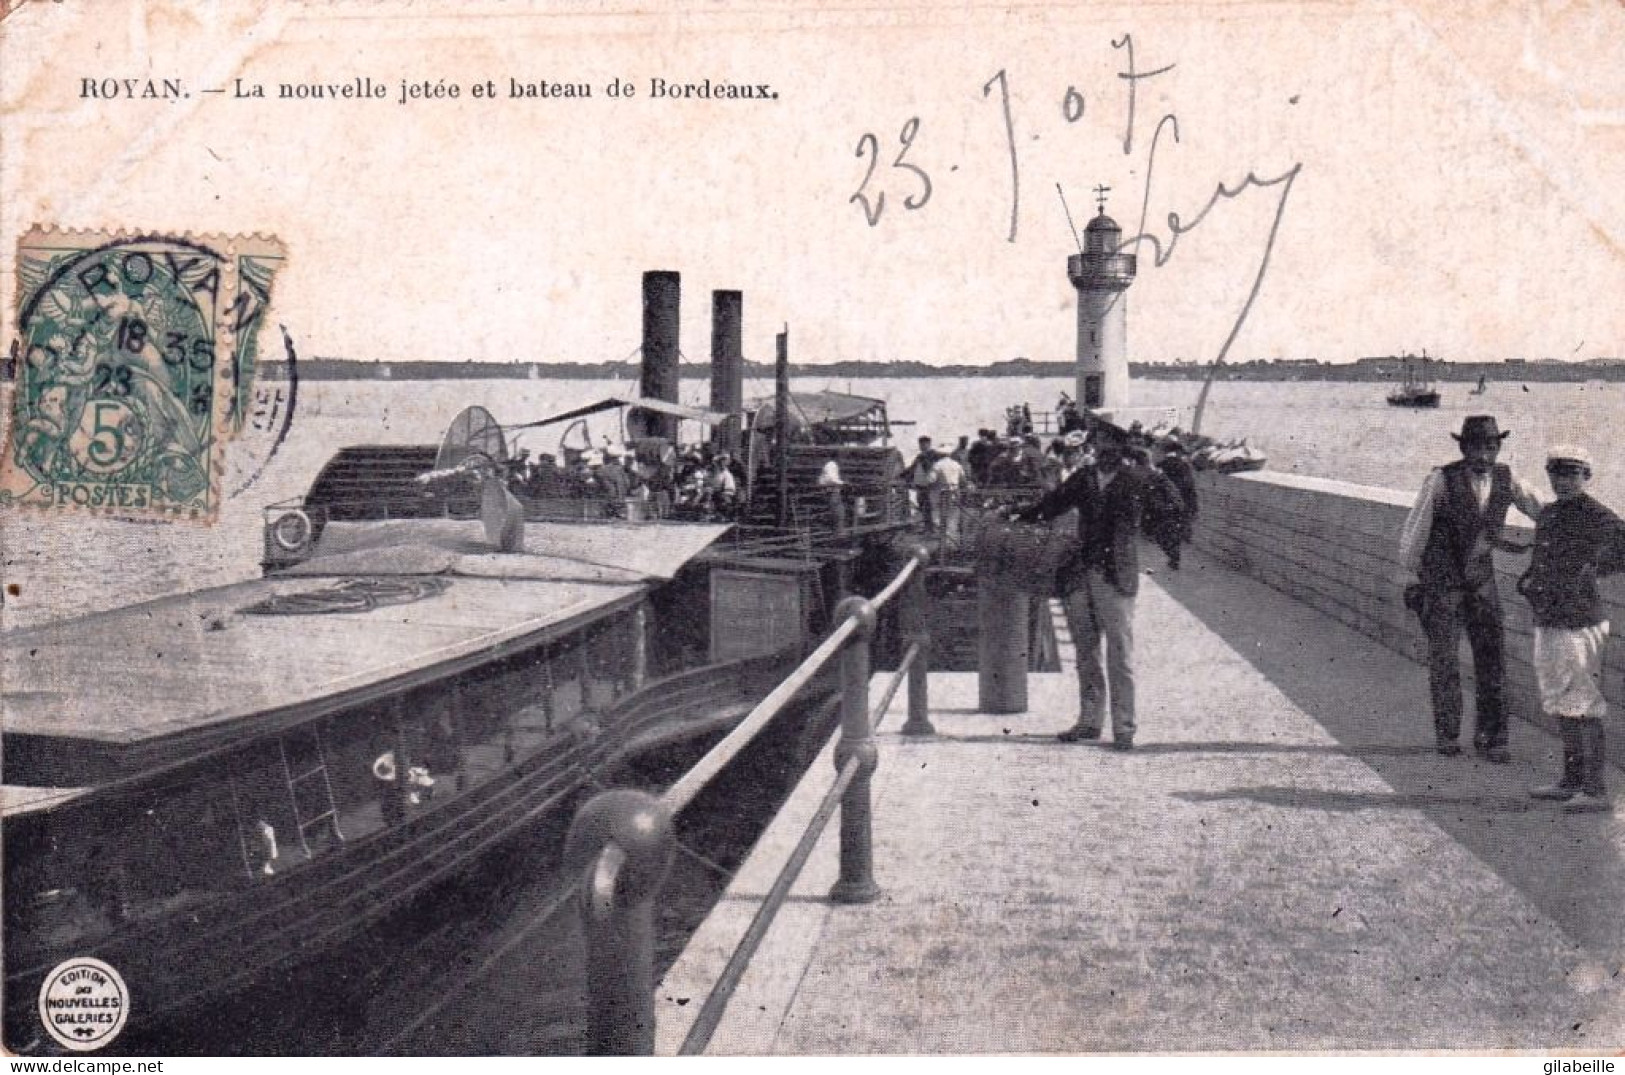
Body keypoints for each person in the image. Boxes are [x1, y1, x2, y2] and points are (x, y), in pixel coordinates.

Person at [1398, 415, 1545, 761]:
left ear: (1498, 448)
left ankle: (1492, 741)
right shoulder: (1440, 480)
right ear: (1463, 448)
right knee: (1445, 662)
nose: (1483, 456)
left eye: (1490, 448)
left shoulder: (1509, 480)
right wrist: (1411, 577)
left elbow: (1545, 512)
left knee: (1492, 660)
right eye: (1476, 448)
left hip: (1481, 584)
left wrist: (1571, 528)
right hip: (1441, 584)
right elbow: (1416, 532)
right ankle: (1448, 736)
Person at [1017, 421, 1155, 750]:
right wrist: (1018, 516)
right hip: (1082, 574)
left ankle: (1124, 727)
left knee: (1120, 654)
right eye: (1098, 443)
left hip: (1117, 577)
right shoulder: (1085, 477)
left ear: (1122, 448)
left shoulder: (1137, 478)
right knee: (1086, 652)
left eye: (1109, 443)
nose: (1102, 449)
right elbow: (1052, 505)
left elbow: (1173, 509)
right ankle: (1090, 721)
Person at [1519, 446, 1625, 811]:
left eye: (1571, 474)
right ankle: (1570, 780)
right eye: (1557, 473)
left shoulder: (1594, 514)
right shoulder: (1550, 512)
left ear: (1586, 477)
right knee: (1560, 699)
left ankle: (1594, 790)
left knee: (1584, 703)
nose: (1562, 481)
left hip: (1580, 622)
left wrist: (1595, 567)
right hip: (1550, 617)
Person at [929, 448, 965, 542]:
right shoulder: (957, 465)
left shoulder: (937, 465)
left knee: (938, 517)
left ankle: (941, 541)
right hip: (954, 493)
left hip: (941, 493)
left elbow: (931, 480)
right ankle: (951, 541)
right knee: (952, 517)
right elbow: (963, 479)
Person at [907, 436, 936, 529]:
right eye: (920, 444)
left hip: (928, 486)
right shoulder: (919, 456)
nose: (922, 446)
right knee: (922, 505)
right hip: (920, 485)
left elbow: (932, 469)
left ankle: (930, 527)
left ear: (929, 444)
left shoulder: (932, 455)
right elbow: (911, 468)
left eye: (924, 444)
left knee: (928, 506)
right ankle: (927, 526)